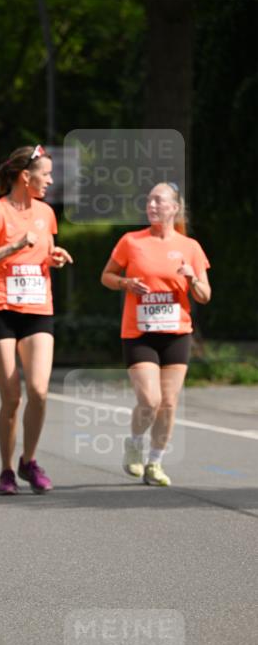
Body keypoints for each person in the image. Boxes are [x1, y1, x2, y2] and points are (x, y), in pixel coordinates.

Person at [0, 144, 72, 495]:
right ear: (26, 176)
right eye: (46, 174)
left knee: (39, 391)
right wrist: (12, 246)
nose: (51, 181)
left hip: (38, 309)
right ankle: (7, 470)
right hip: (0, 311)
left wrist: (53, 256)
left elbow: (44, 250)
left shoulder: (46, 213)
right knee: (12, 398)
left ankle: (29, 460)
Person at [100, 182, 211, 486]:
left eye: (158, 201)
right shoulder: (131, 241)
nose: (151, 206)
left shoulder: (190, 247)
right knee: (150, 400)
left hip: (177, 332)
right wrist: (125, 283)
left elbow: (204, 295)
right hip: (139, 332)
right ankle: (135, 443)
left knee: (169, 403)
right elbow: (106, 276)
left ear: (174, 208)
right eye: (149, 201)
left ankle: (155, 462)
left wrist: (193, 278)